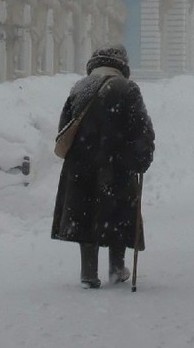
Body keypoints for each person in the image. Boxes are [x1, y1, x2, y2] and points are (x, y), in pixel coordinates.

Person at [51, 44, 155, 289]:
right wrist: (141, 158)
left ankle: (88, 272)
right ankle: (116, 268)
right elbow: (142, 130)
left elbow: (63, 128)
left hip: (81, 166)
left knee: (85, 214)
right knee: (116, 215)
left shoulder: (80, 88)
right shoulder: (127, 89)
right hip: (116, 164)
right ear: (122, 65)